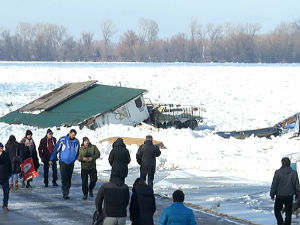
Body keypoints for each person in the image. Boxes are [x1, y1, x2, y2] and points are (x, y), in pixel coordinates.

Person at [49, 129, 79, 200]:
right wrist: (51, 159)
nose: (73, 136)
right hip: (63, 162)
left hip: (71, 162)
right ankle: (65, 193)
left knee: (69, 178)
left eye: (74, 135)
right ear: (69, 133)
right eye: (72, 134)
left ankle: (67, 188)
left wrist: (75, 158)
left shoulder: (76, 142)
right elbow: (56, 149)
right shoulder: (63, 140)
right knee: (64, 177)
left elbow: (77, 151)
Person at [270, 157, 300, 225]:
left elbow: (274, 184)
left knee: (277, 210)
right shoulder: (294, 173)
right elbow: (297, 185)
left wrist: (272, 194)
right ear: (289, 163)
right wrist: (298, 195)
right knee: (288, 213)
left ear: (282, 163)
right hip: (289, 196)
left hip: (279, 195)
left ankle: (280, 222)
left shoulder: (277, 172)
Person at [0, 142, 12, 212]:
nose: (2, 149)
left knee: (6, 191)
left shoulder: (6, 155)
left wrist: (10, 173)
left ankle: (5, 205)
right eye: (0, 148)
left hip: (5, 176)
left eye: (2, 148)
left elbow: (10, 164)